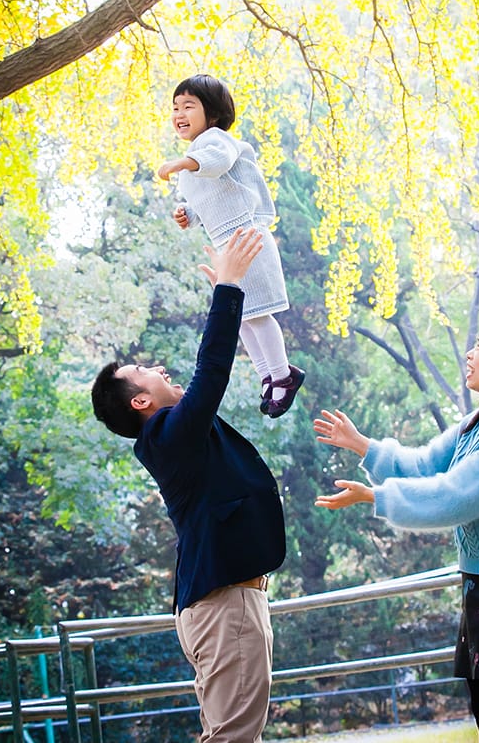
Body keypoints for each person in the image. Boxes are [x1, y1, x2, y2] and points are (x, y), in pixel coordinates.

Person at [313, 318, 479, 743]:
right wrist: (362, 445)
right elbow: (424, 465)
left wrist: (376, 498)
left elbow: (452, 497)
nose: (470, 354)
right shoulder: (476, 423)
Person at [91, 227, 286, 743]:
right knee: (233, 739)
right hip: (225, 607)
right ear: (139, 402)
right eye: (143, 370)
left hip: (223, 605)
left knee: (227, 734)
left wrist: (233, 293)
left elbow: (214, 373)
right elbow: (211, 372)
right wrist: (228, 288)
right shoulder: (166, 436)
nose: (157, 367)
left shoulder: (175, 437)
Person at [157, 73, 304, 418]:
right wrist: (189, 215)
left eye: (188, 105)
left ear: (212, 113)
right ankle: (266, 373)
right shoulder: (198, 153)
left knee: (257, 313)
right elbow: (215, 196)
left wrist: (181, 162)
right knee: (241, 317)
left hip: (245, 237)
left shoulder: (217, 140)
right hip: (227, 243)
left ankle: (283, 374)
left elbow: (217, 163)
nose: (179, 113)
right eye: (175, 107)